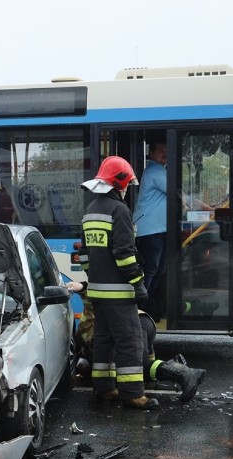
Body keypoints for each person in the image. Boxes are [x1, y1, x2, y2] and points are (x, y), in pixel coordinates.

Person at [76, 156, 157, 410]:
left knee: (104, 340)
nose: (127, 188)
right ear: (119, 182)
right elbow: (124, 254)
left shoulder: (90, 211)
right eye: (126, 183)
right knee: (130, 341)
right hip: (119, 294)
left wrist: (96, 277)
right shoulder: (119, 211)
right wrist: (138, 283)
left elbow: (85, 256)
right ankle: (133, 393)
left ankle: (104, 388)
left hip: (99, 293)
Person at [67, 280, 205, 404]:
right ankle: (179, 369)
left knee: (136, 364)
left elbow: (92, 292)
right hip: (143, 321)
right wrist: (151, 378)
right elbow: (94, 294)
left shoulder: (94, 339)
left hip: (128, 325)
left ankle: (185, 373)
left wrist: (82, 286)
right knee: (140, 364)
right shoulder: (90, 324)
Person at [133, 139, 168, 315]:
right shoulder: (155, 169)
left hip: (158, 231)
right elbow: (178, 191)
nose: (165, 153)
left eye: (167, 150)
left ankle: (145, 306)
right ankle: (139, 307)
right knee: (151, 270)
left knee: (159, 269)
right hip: (149, 231)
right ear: (151, 153)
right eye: (161, 149)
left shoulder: (162, 171)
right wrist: (207, 208)